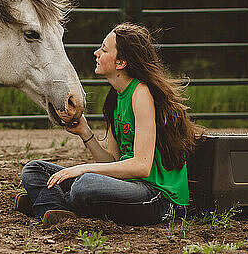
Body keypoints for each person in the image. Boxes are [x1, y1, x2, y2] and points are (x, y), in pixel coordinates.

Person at [16, 22, 204, 227]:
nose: (96, 53)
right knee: (34, 170)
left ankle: (47, 203)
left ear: (121, 62)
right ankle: (56, 207)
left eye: (104, 49)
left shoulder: (141, 93)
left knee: (84, 184)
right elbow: (112, 160)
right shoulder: (116, 98)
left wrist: (81, 169)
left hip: (158, 198)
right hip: (129, 187)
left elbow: (141, 166)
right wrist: (85, 133)